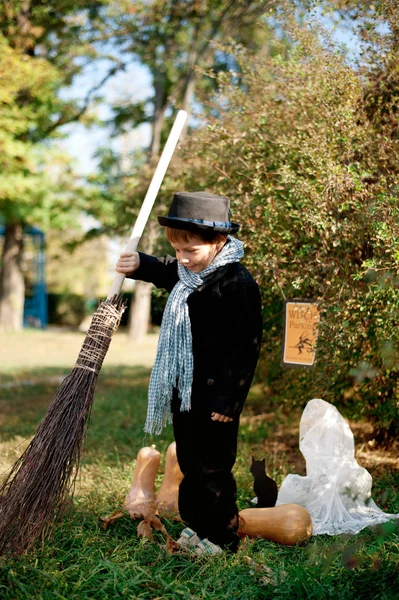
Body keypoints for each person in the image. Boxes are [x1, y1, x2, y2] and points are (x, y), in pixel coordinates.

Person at [116, 191, 263, 554]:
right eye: (178, 250)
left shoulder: (236, 284)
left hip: (217, 397)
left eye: (190, 251)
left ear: (218, 241)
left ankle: (221, 537)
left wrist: (230, 402)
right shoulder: (187, 271)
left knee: (213, 470)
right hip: (186, 388)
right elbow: (166, 269)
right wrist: (139, 263)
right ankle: (197, 527)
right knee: (189, 460)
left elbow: (245, 349)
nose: (182, 259)